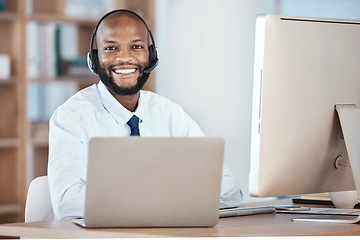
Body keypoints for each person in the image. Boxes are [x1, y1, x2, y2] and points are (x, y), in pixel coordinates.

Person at [48, 9, 242, 220]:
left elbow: (230, 190)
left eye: (137, 47)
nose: (124, 58)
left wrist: (149, 197)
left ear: (151, 55)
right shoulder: (71, 117)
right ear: (94, 58)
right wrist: (168, 194)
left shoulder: (169, 114)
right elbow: (67, 204)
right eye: (111, 48)